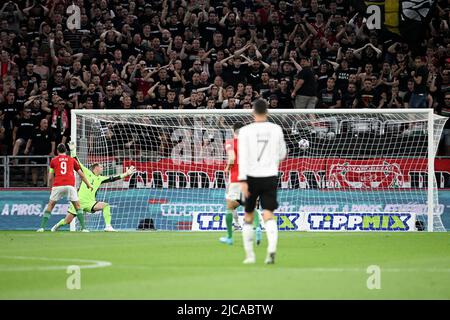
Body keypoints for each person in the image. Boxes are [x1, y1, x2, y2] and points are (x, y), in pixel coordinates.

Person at [238, 99, 287, 264]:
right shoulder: (276, 129)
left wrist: (242, 180)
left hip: (250, 177)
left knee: (248, 215)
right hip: (270, 176)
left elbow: (242, 157)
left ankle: (250, 256)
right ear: (267, 112)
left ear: (253, 112)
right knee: (268, 213)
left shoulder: (245, 131)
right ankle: (271, 248)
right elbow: (282, 154)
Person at [51, 142, 136, 232]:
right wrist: (73, 150)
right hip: (78, 201)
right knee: (67, 221)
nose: (103, 168)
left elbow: (113, 178)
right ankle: (57, 225)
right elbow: (77, 162)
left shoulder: (100, 178)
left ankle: (108, 226)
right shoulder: (87, 172)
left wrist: (126, 173)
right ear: (96, 168)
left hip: (90, 203)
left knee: (106, 206)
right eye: (101, 167)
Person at [220, 122, 262, 246]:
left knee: (230, 207)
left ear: (234, 131)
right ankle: (258, 228)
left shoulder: (230, 142)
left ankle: (229, 237)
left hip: (236, 179)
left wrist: (228, 166)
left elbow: (232, 157)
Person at [37, 143, 93, 232]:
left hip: (57, 185)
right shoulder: (71, 160)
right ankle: (83, 228)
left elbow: (51, 177)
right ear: (66, 151)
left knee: (50, 205)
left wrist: (50, 188)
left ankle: (42, 228)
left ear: (57, 151)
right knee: (77, 206)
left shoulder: (53, 160)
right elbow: (81, 174)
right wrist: (88, 184)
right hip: (70, 185)